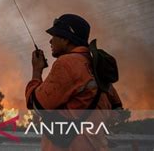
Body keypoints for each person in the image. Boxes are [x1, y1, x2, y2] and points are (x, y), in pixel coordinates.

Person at [25, 14, 122, 151]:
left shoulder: (67, 63)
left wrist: (36, 71)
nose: (50, 41)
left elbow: (37, 105)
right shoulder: (95, 65)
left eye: (54, 36)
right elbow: (117, 109)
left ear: (66, 39)